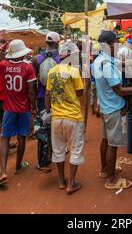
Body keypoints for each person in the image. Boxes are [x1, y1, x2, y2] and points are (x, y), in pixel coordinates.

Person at [92, 31, 132, 191]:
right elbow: (120, 91)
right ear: (110, 44)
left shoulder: (99, 61)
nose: (118, 45)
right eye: (116, 42)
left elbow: (122, 64)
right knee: (113, 144)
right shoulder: (107, 65)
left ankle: (105, 169)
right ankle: (111, 179)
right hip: (114, 108)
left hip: (105, 107)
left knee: (105, 139)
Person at [0, 39, 37, 188]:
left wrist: (3, 50)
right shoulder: (28, 67)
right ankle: (18, 166)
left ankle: (3, 172)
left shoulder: (4, 66)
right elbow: (31, 91)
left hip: (8, 109)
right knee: (21, 137)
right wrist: (34, 108)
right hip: (23, 109)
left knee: (5, 139)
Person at [45, 41, 85, 195]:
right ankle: (71, 183)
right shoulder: (74, 71)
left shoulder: (52, 71)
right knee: (75, 149)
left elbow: (48, 93)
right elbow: (80, 93)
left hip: (56, 117)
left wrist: (48, 111)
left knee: (58, 150)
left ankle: (61, 180)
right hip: (73, 117)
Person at [0, 45, 17, 155]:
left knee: (3, 122)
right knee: (9, 123)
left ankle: (6, 143)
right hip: (6, 99)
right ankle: (5, 146)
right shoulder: (7, 67)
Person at [32, 32, 61, 113]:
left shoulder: (36, 58)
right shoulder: (63, 58)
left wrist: (33, 99)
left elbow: (33, 82)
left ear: (46, 42)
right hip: (59, 96)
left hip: (41, 94)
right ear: (57, 43)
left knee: (43, 121)